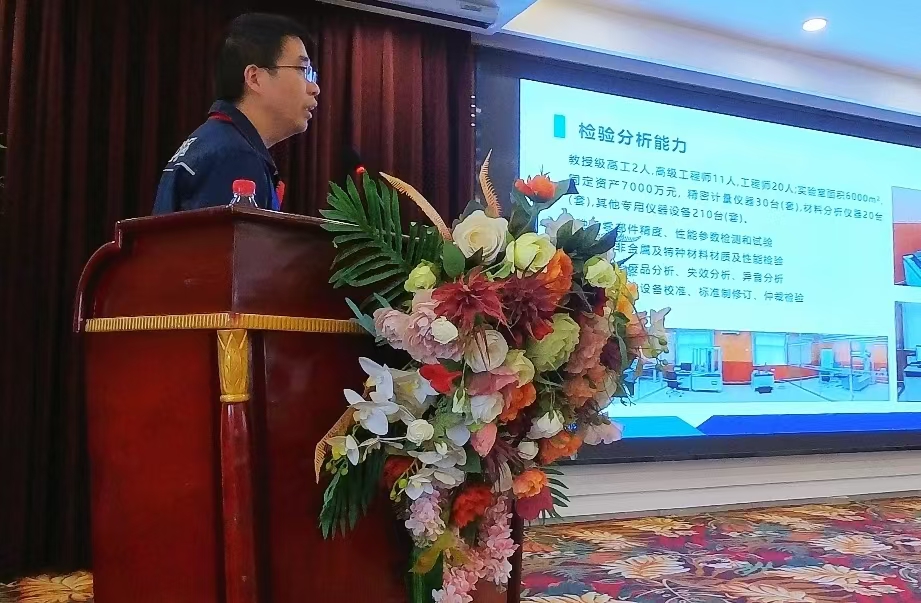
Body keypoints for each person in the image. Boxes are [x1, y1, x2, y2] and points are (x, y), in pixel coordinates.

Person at [152, 13, 320, 214]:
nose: (315, 88)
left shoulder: (213, 141)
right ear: (254, 78)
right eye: (302, 69)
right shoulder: (235, 157)